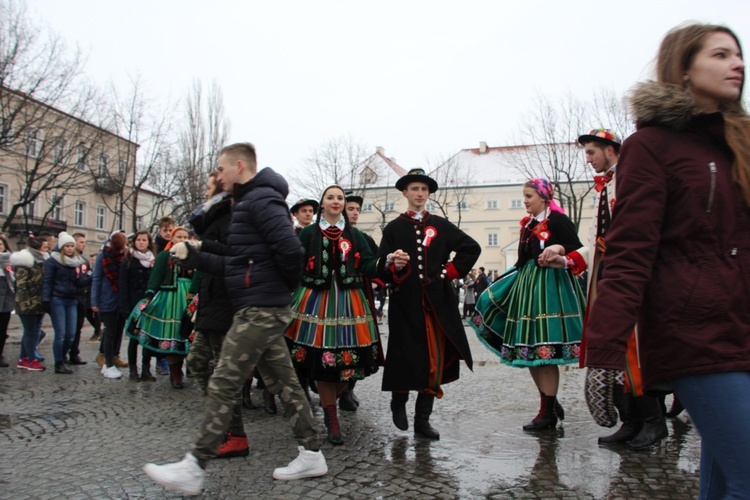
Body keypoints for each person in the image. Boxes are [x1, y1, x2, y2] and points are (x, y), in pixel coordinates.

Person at [583, 24, 750, 498]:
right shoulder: (653, 145)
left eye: (738, 55)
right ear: (684, 68)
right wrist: (605, 352)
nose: (737, 63)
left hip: (742, 325)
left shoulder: (741, 140)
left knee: (727, 476)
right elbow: (630, 251)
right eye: (720, 55)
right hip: (695, 331)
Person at [144, 143, 327, 496]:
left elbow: (291, 251)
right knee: (284, 383)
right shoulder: (246, 203)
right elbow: (237, 264)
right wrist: (195, 255)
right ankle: (311, 452)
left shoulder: (261, 200)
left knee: (225, 377)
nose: (218, 175)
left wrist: (277, 289)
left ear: (239, 166)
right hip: (256, 304)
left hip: (261, 307)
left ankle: (195, 464)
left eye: (221, 169)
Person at [555, 128, 667, 449]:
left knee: (634, 351)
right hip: (608, 280)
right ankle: (631, 421)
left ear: (610, 149)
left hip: (631, 279)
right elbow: (595, 243)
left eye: (592, 152)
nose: (588, 160)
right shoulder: (600, 189)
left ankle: (653, 421)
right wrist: (568, 256)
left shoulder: (629, 180)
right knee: (615, 353)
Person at [472, 178, 586, 431]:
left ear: (544, 198)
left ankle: (548, 411)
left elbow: (577, 247)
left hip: (551, 289)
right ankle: (549, 402)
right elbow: (523, 261)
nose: (525, 200)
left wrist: (559, 247)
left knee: (545, 350)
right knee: (531, 350)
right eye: (524, 196)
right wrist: (502, 285)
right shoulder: (528, 225)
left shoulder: (558, 220)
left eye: (529, 196)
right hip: (529, 288)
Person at [378, 168, 481, 440]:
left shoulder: (441, 224)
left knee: (433, 360)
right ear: (405, 193)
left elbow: (472, 248)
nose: (420, 194)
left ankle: (422, 420)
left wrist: (448, 272)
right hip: (404, 303)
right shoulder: (394, 227)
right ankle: (398, 401)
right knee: (403, 356)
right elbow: (379, 267)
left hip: (437, 305)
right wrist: (391, 263)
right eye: (415, 189)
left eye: (424, 189)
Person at [284, 185, 383, 445]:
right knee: (322, 363)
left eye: (340, 197)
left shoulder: (355, 234)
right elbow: (293, 261)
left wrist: (388, 262)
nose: (336, 201)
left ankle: (334, 400)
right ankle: (331, 418)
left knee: (348, 363)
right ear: (322, 204)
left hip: (351, 302)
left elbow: (370, 264)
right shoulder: (308, 233)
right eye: (331, 197)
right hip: (316, 301)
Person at [185, 172, 248, 459]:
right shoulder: (211, 219)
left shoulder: (233, 216)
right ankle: (221, 422)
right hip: (210, 303)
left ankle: (235, 434)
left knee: (225, 374)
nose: (205, 190)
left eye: (209, 185)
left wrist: (200, 249)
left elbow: (237, 255)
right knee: (197, 363)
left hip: (227, 304)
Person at [132, 227, 194, 389]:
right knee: (171, 335)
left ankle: (185, 368)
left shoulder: (194, 256)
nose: (182, 239)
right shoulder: (164, 256)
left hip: (187, 299)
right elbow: (156, 277)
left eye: (185, 237)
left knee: (187, 335)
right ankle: (175, 372)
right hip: (170, 299)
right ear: (171, 239)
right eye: (178, 236)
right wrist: (150, 295)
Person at [42, 231, 92, 374]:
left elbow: (77, 282)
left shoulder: (75, 262)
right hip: (57, 298)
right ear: (62, 247)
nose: (70, 248)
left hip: (72, 299)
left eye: (72, 246)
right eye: (67, 246)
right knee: (61, 333)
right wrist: (46, 299)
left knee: (71, 333)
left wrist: (90, 278)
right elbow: (47, 281)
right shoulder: (52, 261)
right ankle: (59, 362)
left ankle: (63, 357)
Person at [120, 230, 156, 381]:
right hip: (133, 302)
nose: (141, 242)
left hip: (149, 303)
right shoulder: (128, 259)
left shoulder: (153, 260)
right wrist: (125, 306)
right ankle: (133, 370)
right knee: (134, 338)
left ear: (149, 243)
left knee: (147, 337)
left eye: (144, 240)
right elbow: (123, 284)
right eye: (139, 240)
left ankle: (146, 369)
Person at [92, 232, 128, 379]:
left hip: (121, 299)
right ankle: (107, 363)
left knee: (119, 330)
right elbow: (96, 279)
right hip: (107, 299)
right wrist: (94, 302)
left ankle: (114, 356)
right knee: (109, 331)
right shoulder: (103, 256)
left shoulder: (125, 257)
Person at [12, 235, 47, 371]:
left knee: (34, 330)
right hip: (27, 303)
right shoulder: (24, 261)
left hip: (39, 302)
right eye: (44, 247)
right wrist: (26, 302)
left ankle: (23, 357)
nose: (46, 250)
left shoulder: (42, 261)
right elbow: (21, 284)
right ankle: (31, 359)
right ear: (37, 248)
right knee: (31, 332)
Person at [71, 233, 98, 359]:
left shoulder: (84, 261)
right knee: (68, 329)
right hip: (71, 297)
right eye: (81, 242)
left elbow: (86, 278)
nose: (84, 245)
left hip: (82, 297)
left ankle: (74, 353)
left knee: (78, 328)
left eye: (84, 242)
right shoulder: (68, 260)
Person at [0, 234, 14, 368]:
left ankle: (0, 354)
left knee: (3, 329)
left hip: (6, 301)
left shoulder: (10, 262)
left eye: (1, 244)